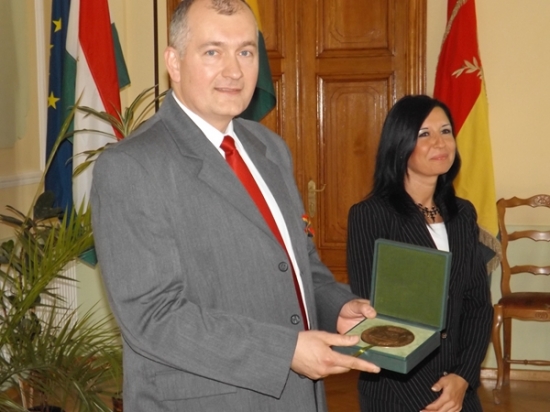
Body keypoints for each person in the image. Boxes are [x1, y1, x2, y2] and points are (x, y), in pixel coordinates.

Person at [90, 0, 380, 410]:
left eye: (245, 51)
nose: (234, 71)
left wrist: (337, 307)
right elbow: (154, 318)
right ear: (173, 62)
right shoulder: (132, 166)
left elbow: (299, 266)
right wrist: (284, 351)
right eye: (213, 52)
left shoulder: (269, 148)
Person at [347, 95, 492, 412]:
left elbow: (478, 305)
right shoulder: (370, 215)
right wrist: (430, 400)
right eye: (424, 133)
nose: (440, 143)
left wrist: (462, 378)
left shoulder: (463, 214)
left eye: (446, 131)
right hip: (397, 390)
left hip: (458, 388)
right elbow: (374, 320)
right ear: (400, 144)